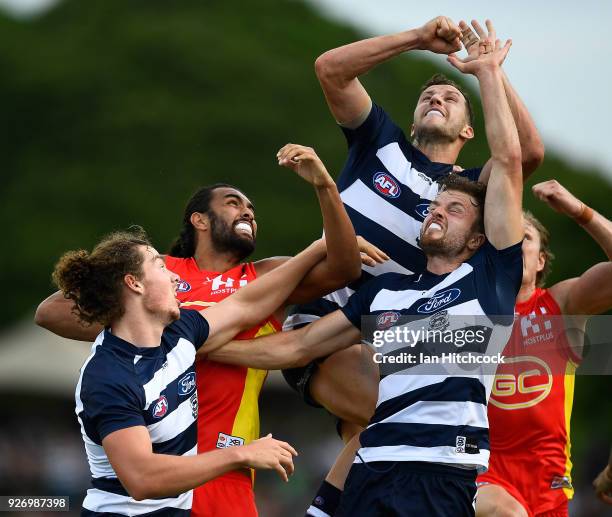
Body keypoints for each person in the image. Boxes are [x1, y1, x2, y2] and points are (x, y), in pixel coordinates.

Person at [213, 35, 524, 516]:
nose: (436, 99)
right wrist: (420, 37)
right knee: (406, 421)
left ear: (468, 132)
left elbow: (519, 158)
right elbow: (330, 68)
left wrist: (490, 74)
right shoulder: (381, 144)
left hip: (391, 341)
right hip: (335, 327)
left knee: (417, 433)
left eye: (450, 98)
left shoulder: (473, 206)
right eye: (427, 96)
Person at [35, 144, 379, 516]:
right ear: (199, 219)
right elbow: (51, 312)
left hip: (227, 468)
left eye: (251, 209)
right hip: (157, 462)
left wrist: (325, 187)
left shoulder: (263, 278)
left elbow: (344, 268)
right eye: (233, 203)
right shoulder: (160, 273)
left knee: (401, 390)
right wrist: (152, 332)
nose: (247, 211)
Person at [50, 226, 337, 516]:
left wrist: (316, 249)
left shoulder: (181, 332)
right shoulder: (109, 376)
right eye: (161, 267)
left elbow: (247, 304)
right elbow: (142, 479)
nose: (176, 277)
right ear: (134, 284)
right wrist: (241, 454)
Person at [476, 180, 612, 517]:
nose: (514, 245)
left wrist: (580, 212)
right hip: (481, 474)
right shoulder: (468, 313)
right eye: (504, 238)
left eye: (524, 238)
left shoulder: (561, 305)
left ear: (540, 260)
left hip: (548, 485)